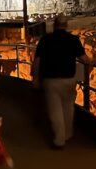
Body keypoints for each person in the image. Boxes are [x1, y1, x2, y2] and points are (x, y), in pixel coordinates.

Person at [32, 14, 90, 149]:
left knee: (55, 110)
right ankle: (68, 135)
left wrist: (35, 78)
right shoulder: (73, 40)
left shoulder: (45, 40)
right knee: (68, 108)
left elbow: (37, 61)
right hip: (69, 79)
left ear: (54, 25)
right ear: (66, 26)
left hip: (50, 80)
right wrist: (92, 63)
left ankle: (59, 140)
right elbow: (84, 59)